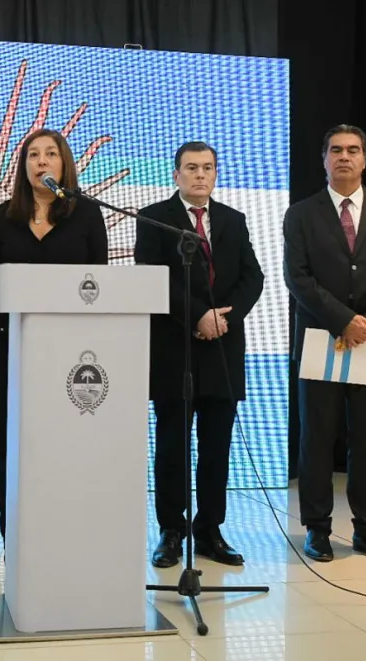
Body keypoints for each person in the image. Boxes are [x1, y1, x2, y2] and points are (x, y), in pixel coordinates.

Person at [283, 124, 366, 564]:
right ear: (323, 159)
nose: (344, 156)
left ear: (365, 159)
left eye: (353, 150)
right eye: (336, 150)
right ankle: (317, 529)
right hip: (321, 336)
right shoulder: (301, 213)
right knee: (317, 437)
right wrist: (343, 320)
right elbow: (297, 278)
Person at [135, 142, 263, 568]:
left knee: (216, 447)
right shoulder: (155, 218)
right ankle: (172, 530)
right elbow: (151, 278)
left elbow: (252, 276)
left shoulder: (233, 219)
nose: (200, 175)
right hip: (175, 346)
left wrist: (224, 318)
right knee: (172, 444)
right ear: (176, 175)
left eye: (207, 168)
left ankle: (210, 529)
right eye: (191, 168)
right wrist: (198, 316)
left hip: (223, 349)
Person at [0, 128, 108, 540]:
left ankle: (61, 532)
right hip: (9, 346)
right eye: (33, 155)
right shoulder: (5, 216)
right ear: (24, 166)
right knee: (10, 440)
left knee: (60, 441)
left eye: (51, 154)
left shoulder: (86, 214)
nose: (42, 161)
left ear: (64, 164)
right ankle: (11, 532)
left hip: (69, 353)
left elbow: (98, 283)